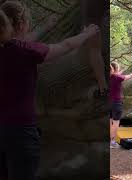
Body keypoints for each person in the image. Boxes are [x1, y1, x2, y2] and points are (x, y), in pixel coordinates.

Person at [0, 1, 100, 179]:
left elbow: (24, 40)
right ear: (22, 25)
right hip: (21, 132)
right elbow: (66, 46)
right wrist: (87, 33)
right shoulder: (26, 51)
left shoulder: (14, 49)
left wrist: (47, 25)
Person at [109, 62, 132, 148]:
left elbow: (117, 75)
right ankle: (112, 142)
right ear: (116, 69)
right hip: (116, 103)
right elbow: (129, 76)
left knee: (110, 122)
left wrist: (121, 71)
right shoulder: (117, 77)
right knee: (115, 123)